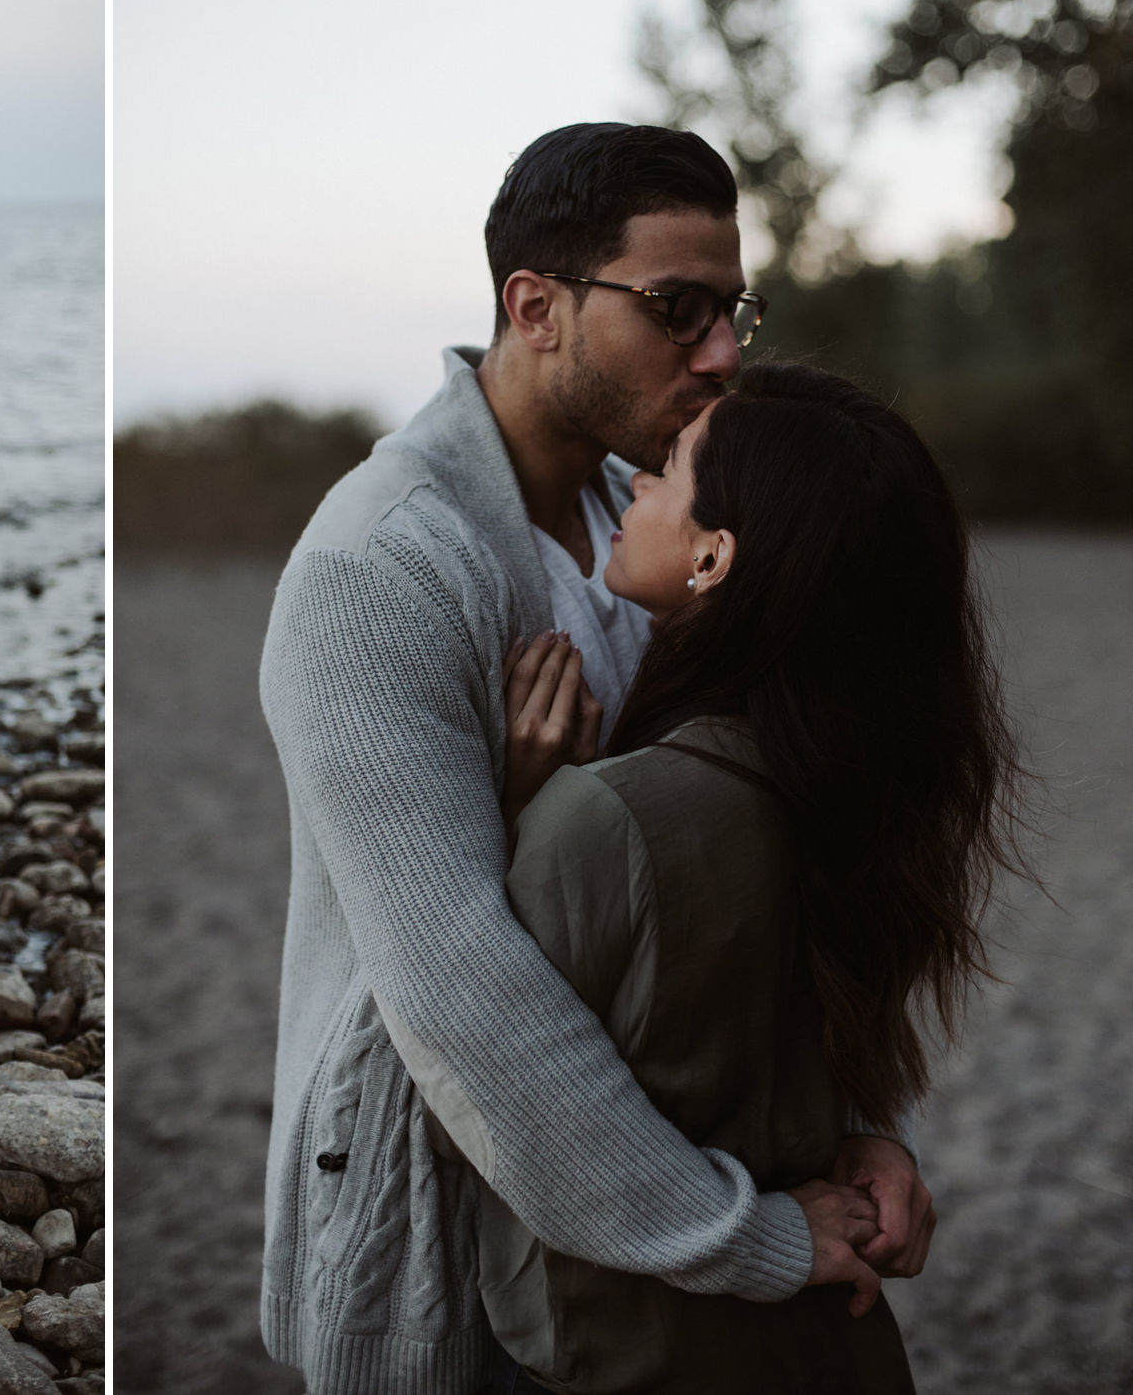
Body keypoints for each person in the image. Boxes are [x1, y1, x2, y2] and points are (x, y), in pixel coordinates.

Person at [257, 123, 935, 1395]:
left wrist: (853, 1130)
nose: (723, 353)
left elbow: (765, 862)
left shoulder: (657, 521)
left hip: (662, 1200)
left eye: (731, 309)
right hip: (453, 1230)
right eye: (676, 310)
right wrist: (743, 1232)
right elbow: (455, 989)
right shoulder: (376, 572)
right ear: (537, 307)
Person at [482, 364, 1024, 1392]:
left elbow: (496, 1082)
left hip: (631, 1350)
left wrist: (523, 814)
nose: (635, 479)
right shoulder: (864, 792)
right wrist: (878, 1135)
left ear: (711, 555)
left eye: (672, 469)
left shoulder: (608, 817)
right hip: (835, 1345)